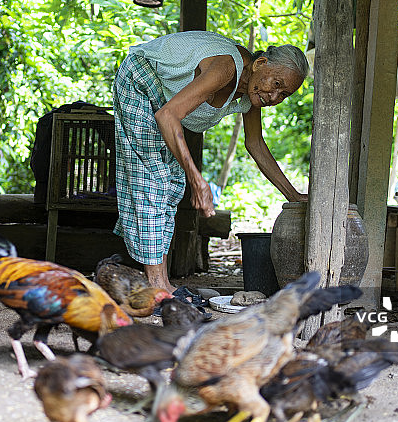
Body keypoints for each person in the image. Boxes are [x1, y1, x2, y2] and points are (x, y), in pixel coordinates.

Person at [112, 30, 309, 293]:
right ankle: (158, 286)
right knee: (155, 180)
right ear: (261, 63)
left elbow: (256, 145)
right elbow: (168, 116)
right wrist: (197, 180)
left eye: (283, 94)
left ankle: (161, 283)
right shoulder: (226, 68)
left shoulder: (250, 92)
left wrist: (294, 196)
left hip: (163, 104)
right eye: (276, 84)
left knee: (172, 184)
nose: (274, 98)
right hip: (139, 78)